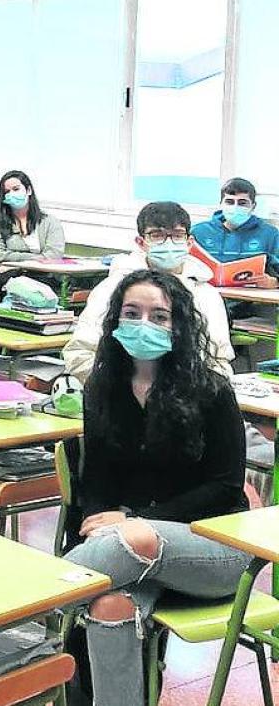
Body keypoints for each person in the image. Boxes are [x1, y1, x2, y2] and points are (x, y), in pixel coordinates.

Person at [62, 270, 251, 706]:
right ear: (115, 319)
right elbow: (97, 481)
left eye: (159, 316)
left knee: (138, 537)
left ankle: (34, 602)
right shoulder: (102, 388)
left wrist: (135, 519)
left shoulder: (212, 390)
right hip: (128, 551)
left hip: (215, 547)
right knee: (110, 606)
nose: (143, 324)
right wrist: (96, 525)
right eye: (132, 313)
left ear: (179, 326)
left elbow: (225, 487)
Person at [63, 202, 232, 383]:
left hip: (188, 392)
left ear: (189, 242)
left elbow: (219, 361)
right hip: (120, 389)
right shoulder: (112, 288)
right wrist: (124, 387)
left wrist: (196, 392)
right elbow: (80, 353)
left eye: (177, 235)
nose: (168, 243)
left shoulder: (207, 295)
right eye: (157, 235)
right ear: (141, 242)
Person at [0, 170, 65, 302]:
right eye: (7, 192)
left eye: (16, 189)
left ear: (28, 190)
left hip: (42, 275)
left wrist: (17, 265)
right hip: (6, 275)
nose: (11, 194)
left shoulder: (50, 222)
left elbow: (54, 255)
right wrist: (37, 258)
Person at [191, 177, 279, 289]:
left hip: (251, 297)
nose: (235, 207)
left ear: (253, 206)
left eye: (242, 203)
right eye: (230, 202)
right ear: (221, 204)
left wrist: (275, 282)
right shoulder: (198, 232)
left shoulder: (270, 234)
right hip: (205, 292)